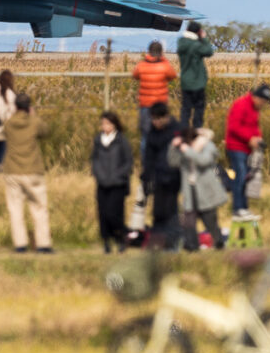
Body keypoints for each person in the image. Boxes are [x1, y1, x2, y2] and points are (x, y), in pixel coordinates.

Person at [2, 93, 53, 253]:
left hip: (12, 171)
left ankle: (20, 244)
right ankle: (43, 244)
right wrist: (33, 115)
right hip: (32, 170)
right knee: (39, 207)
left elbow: (5, 134)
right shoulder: (35, 122)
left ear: (16, 106)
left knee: (15, 209)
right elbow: (46, 132)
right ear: (28, 106)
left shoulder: (9, 123)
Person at [168, 126, 227, 251]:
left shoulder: (207, 146)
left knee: (210, 221)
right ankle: (191, 246)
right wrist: (173, 147)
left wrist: (188, 150)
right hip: (190, 191)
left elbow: (203, 161)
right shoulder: (184, 150)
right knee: (188, 221)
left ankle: (219, 243)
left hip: (205, 191)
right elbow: (173, 162)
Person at [225, 84, 270, 220]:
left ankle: (244, 208)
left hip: (247, 149)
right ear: (256, 97)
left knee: (245, 179)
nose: (263, 105)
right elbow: (234, 127)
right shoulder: (241, 105)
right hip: (236, 147)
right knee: (239, 177)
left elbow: (254, 126)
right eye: (262, 101)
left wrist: (258, 138)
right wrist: (250, 138)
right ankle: (237, 209)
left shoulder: (254, 109)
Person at [90, 111, 133, 253]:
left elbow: (128, 162)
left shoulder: (121, 140)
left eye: (108, 123)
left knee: (114, 213)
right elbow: (94, 160)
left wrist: (118, 175)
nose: (105, 126)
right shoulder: (98, 140)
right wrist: (99, 174)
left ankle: (121, 237)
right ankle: (106, 241)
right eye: (103, 123)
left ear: (114, 125)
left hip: (117, 183)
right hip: (102, 183)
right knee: (103, 213)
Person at [141, 102, 182, 250]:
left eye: (159, 119)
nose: (156, 122)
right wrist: (146, 178)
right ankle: (157, 242)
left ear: (166, 117)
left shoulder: (177, 130)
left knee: (171, 211)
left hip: (174, 177)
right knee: (158, 211)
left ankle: (173, 243)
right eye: (154, 119)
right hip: (158, 177)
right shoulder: (152, 133)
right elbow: (148, 158)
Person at [132, 41, 177, 155]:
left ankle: (146, 161)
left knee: (146, 135)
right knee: (164, 133)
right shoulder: (164, 65)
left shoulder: (142, 65)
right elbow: (173, 75)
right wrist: (164, 59)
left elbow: (135, 75)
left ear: (149, 51)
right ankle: (162, 158)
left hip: (146, 104)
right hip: (160, 105)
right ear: (161, 52)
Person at [176, 21, 215, 129]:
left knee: (185, 109)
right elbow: (209, 51)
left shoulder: (181, 43)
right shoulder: (196, 45)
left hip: (185, 82)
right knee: (199, 109)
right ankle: (196, 131)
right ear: (198, 32)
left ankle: (183, 132)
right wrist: (204, 39)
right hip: (198, 83)